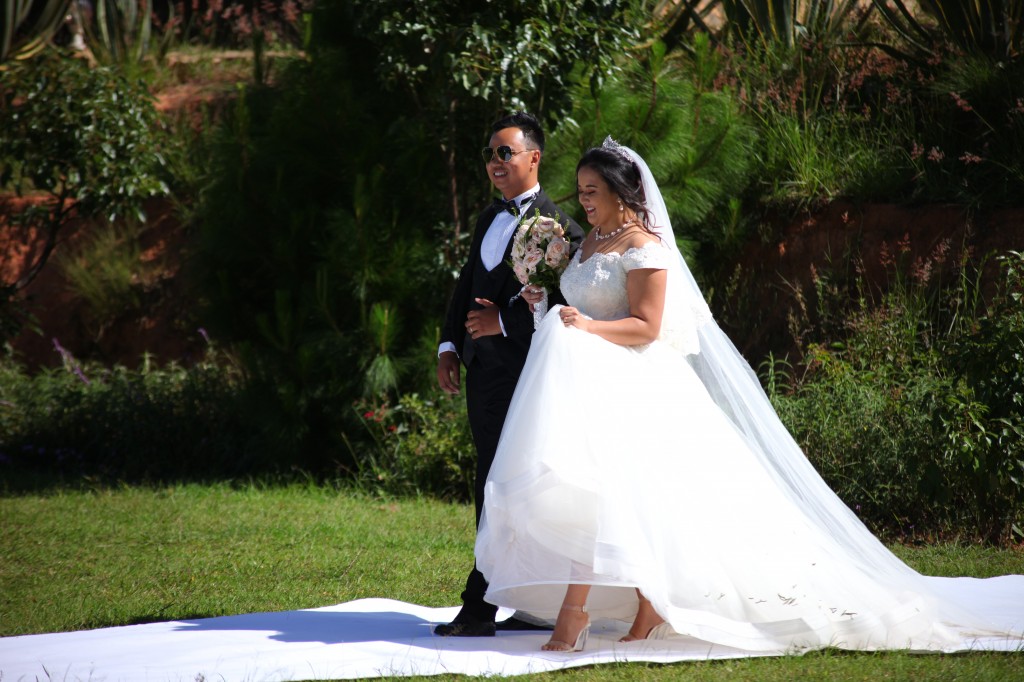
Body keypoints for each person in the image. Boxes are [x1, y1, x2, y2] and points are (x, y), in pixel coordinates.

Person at [474, 138, 1024, 653]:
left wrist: (588, 329)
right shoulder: (589, 241)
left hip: (634, 382)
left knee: (632, 499)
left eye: (592, 192)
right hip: (586, 380)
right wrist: (542, 301)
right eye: (581, 191)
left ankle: (604, 611)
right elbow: (581, 306)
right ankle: (618, 608)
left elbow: (645, 325)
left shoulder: (645, 248)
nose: (583, 202)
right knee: (597, 496)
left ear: (622, 195)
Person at [433, 112, 585, 637]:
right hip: (483, 374)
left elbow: (569, 302)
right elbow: (466, 283)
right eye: (490, 154)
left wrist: (505, 319)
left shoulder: (561, 228)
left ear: (534, 158)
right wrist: (449, 344)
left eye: (506, 153)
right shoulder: (486, 218)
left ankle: (480, 606)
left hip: (526, 374)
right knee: (494, 480)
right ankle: (521, 597)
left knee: (504, 484)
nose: (495, 163)